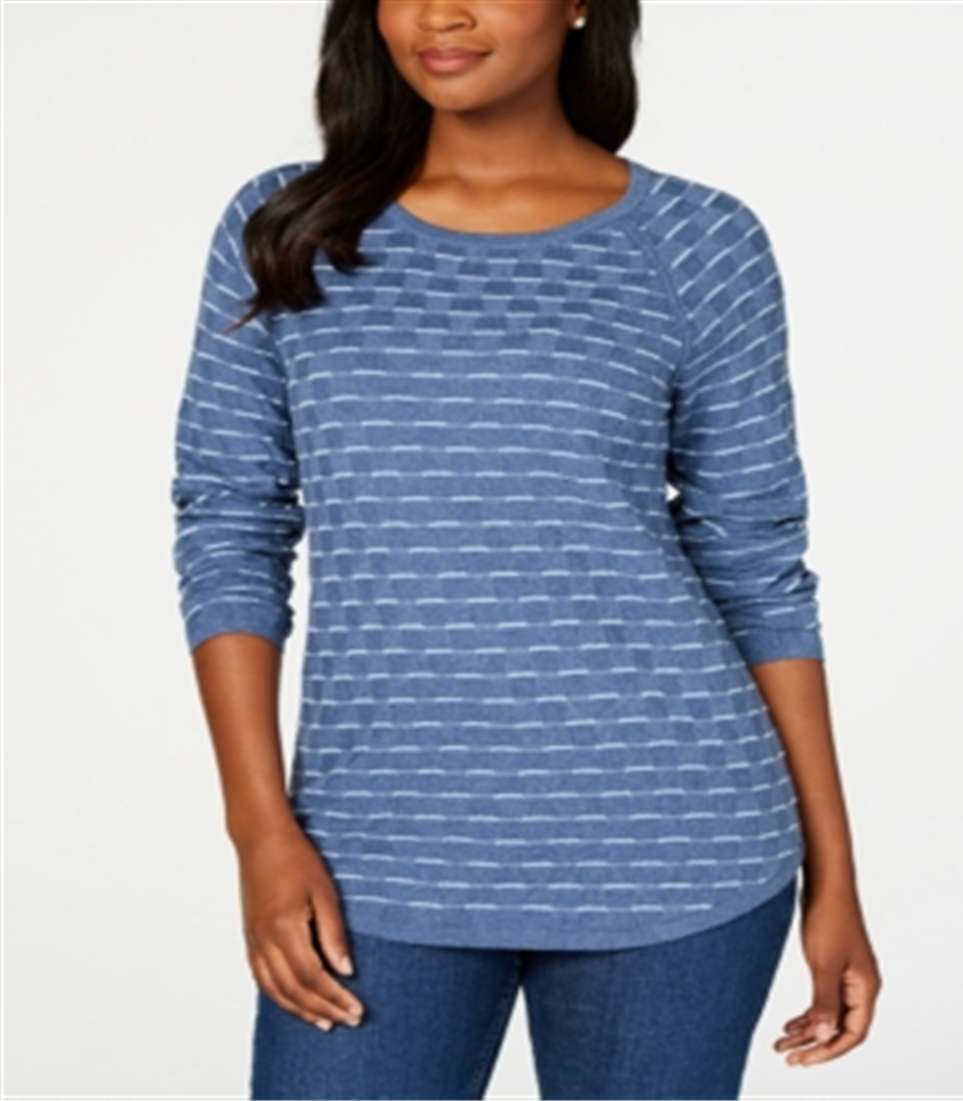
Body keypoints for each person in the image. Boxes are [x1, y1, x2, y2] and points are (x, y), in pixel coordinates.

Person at [171, 1, 882, 1097]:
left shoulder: (698, 240)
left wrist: (835, 877)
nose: (440, 13)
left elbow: (756, 563)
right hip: (373, 854)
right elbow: (230, 523)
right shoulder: (289, 228)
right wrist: (259, 830)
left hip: (677, 849)